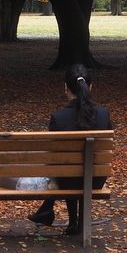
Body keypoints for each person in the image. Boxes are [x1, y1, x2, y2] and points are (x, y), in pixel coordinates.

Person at [27, 63, 112, 235]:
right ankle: (72, 221)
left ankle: (61, 217)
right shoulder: (103, 114)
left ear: (66, 88)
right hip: (96, 178)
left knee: (65, 169)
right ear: (90, 87)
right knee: (73, 169)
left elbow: (53, 156)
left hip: (67, 179)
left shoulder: (58, 118)